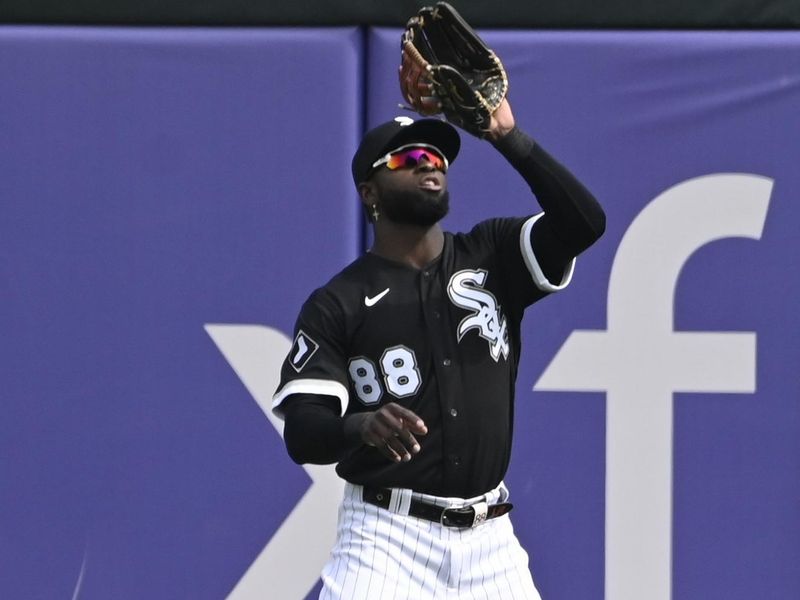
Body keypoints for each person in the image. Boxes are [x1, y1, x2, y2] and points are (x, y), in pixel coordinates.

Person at [271, 98, 605, 599]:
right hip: (385, 536)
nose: (428, 163)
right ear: (370, 192)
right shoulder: (336, 303)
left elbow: (584, 223)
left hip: (491, 538)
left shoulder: (492, 253)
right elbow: (302, 432)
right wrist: (359, 425)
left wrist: (506, 137)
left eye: (436, 157)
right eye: (406, 159)